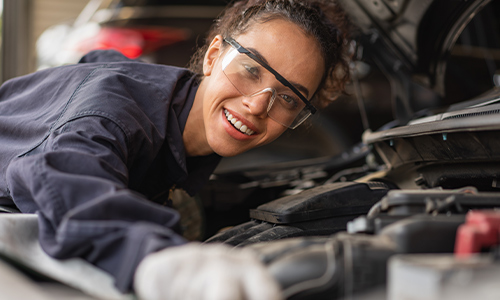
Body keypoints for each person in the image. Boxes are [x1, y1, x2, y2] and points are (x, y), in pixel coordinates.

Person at [0, 0, 351, 299]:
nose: (259, 106)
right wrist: (161, 258)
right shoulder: (114, 112)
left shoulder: (175, 115)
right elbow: (66, 179)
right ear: (213, 56)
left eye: (288, 97)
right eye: (250, 70)